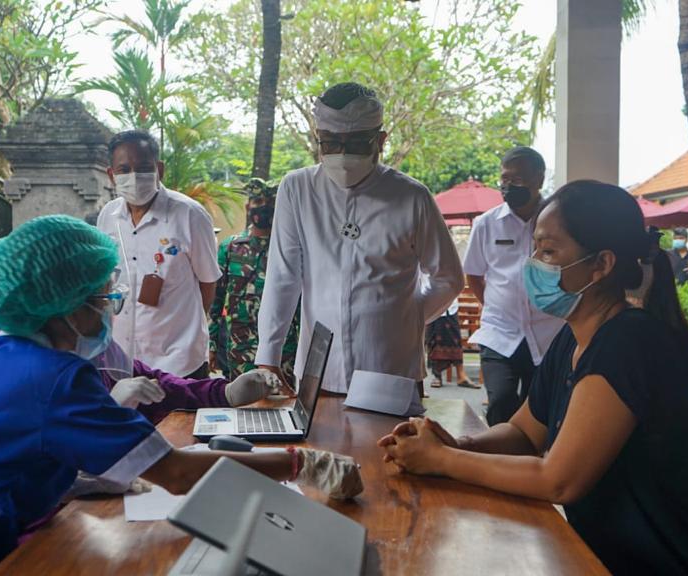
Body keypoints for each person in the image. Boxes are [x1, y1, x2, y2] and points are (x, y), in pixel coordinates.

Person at [0, 215, 363, 574]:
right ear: (63, 307)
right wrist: (301, 463)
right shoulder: (54, 377)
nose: (110, 311)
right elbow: (177, 473)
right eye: (103, 299)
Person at [378, 181, 688, 575]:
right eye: (535, 249)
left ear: (602, 264)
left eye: (548, 251)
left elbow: (558, 481)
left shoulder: (627, 342)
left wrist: (443, 460)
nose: (533, 263)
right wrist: (457, 444)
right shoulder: (573, 336)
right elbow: (524, 433)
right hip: (616, 559)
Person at [255, 82, 464, 394]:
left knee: (393, 430)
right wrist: (268, 357)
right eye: (331, 143)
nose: (342, 155)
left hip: (392, 367)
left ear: (380, 140)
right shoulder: (297, 189)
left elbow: (449, 278)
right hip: (320, 371)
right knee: (317, 430)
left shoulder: (411, 196)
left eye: (355, 144)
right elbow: (283, 277)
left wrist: (406, 318)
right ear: (318, 137)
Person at [97, 130, 220, 380]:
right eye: (124, 170)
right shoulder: (108, 217)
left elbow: (208, 283)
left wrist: (185, 329)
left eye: (144, 168)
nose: (134, 177)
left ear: (159, 170)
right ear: (111, 175)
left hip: (178, 362)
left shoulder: (189, 215)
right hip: (121, 360)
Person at [0, 329, 282, 425]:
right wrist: (108, 413)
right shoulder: (10, 363)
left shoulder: (87, 341)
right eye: (100, 298)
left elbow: (152, 382)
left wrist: (223, 393)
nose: (108, 310)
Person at [462, 147, 564, 425]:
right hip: (499, 331)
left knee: (541, 410)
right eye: (504, 179)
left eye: (517, 180)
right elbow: (474, 275)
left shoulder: (560, 223)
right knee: (501, 400)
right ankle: (499, 450)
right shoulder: (486, 224)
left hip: (548, 333)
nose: (508, 186)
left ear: (539, 179)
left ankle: (535, 453)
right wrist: (496, 305)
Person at [209, 178, 300, 382]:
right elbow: (215, 302)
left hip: (283, 348)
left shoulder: (291, 249)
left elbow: (302, 304)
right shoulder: (230, 248)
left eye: (270, 203)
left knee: (282, 397)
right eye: (258, 202)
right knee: (241, 398)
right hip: (240, 348)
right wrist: (212, 345)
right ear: (248, 206)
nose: (264, 208)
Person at [425, 300, 477, 389]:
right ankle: (437, 376)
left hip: (450, 306)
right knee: (434, 341)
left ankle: (461, 375)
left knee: (456, 340)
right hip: (432, 305)